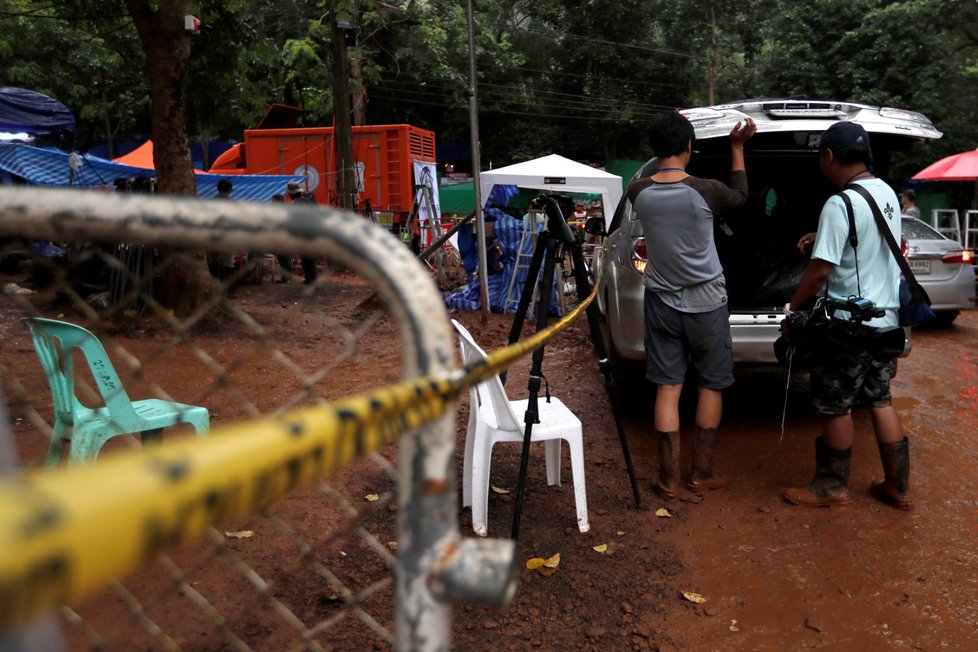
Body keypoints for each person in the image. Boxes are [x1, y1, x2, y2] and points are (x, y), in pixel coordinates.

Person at [627, 110, 756, 500]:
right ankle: (702, 474)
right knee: (711, 384)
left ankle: (668, 480)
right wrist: (736, 148)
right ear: (689, 148)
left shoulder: (638, 192)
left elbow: (646, 177)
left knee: (668, 387)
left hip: (661, 301)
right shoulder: (707, 190)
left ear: (653, 150)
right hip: (707, 302)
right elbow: (742, 195)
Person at [783, 121, 912, 510]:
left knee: (834, 404)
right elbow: (867, 244)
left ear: (828, 156)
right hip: (885, 321)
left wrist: (793, 308)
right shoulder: (887, 194)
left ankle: (831, 486)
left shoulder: (839, 203)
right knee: (880, 399)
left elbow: (820, 271)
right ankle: (897, 486)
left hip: (847, 329)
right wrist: (817, 235)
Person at [285, 180, 319, 284]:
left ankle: (311, 281)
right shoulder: (308, 201)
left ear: (290, 194)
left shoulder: (293, 205)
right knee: (309, 259)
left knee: (307, 259)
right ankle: (310, 280)